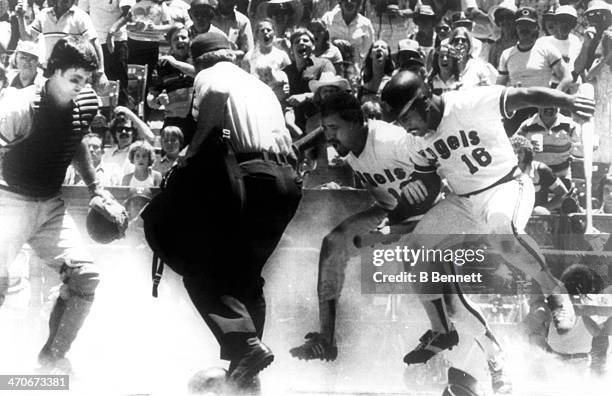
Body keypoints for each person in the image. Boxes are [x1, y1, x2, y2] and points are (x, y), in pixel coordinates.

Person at [380, 70, 594, 371]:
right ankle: (441, 330)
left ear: (424, 101)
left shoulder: (469, 102)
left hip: (506, 185)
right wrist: (398, 214)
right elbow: (427, 184)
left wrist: (568, 102)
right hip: (463, 201)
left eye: (405, 117)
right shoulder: (416, 140)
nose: (405, 126)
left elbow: (526, 96)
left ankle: (553, 289)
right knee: (415, 249)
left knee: (500, 231)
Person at [142, 31, 301, 392]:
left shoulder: (210, 76)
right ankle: (245, 375)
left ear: (201, 61)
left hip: (251, 175)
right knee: (245, 278)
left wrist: (190, 151)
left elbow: (215, 94)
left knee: (200, 270)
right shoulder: (258, 85)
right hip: (287, 182)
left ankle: (245, 348)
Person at [0, 38, 111, 374]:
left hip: (49, 206)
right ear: (53, 71)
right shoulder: (19, 106)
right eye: (74, 79)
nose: (81, 87)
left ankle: (51, 362)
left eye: (87, 79)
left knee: (86, 277)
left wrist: (97, 187)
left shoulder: (86, 102)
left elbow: (73, 138)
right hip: (8, 201)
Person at [15, 0, 108, 89]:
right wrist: (20, 16)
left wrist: (100, 73)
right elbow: (27, 37)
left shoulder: (81, 16)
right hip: (50, 72)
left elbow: (94, 43)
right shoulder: (44, 15)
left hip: (73, 73)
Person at [147, 23, 196, 143]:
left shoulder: (197, 59)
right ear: (170, 43)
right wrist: (158, 100)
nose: (180, 41)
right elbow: (150, 99)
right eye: (175, 39)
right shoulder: (162, 65)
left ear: (190, 40)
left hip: (197, 121)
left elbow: (199, 73)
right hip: (174, 121)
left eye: (184, 37)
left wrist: (175, 63)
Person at [516, 106, 582, 186]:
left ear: (559, 105)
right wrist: (528, 150)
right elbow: (514, 149)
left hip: (561, 176)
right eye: (545, 104)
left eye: (553, 104)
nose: (549, 108)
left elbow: (580, 150)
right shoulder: (527, 126)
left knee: (563, 197)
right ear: (538, 105)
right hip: (536, 177)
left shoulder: (571, 125)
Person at [510, 135, 569, 214]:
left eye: (520, 152)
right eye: (513, 152)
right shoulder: (501, 171)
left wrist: (543, 209)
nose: (516, 155)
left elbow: (563, 195)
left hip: (538, 219)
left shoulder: (540, 170)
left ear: (527, 152)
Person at [322, 0, 374, 73]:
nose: (349, 1)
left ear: (358, 3)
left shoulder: (365, 24)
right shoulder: (328, 18)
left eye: (353, 0)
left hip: (354, 70)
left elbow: (368, 52)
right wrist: (332, 43)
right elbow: (319, 43)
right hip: (329, 68)